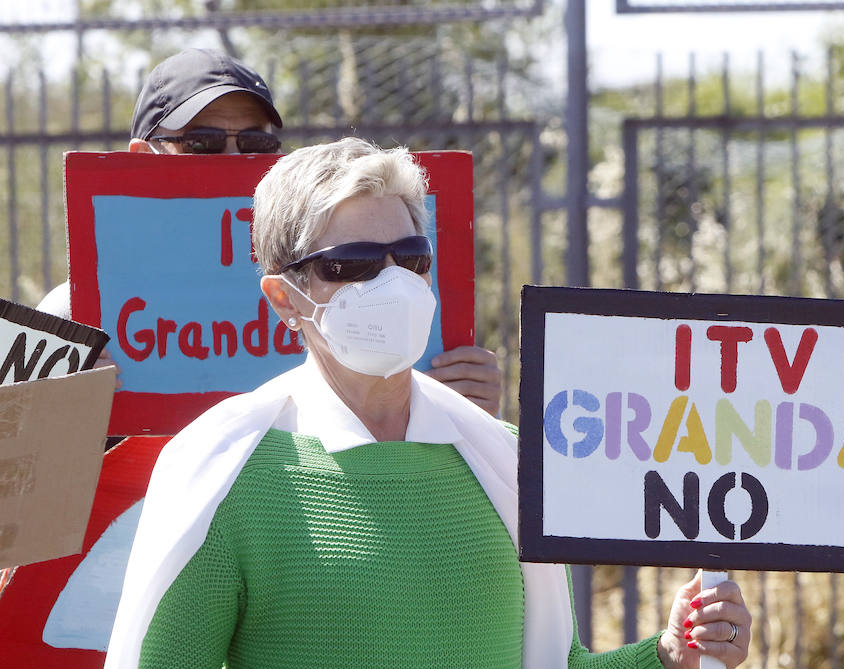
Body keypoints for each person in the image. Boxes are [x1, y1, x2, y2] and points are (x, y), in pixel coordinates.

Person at [77, 137, 754, 669]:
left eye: (411, 257)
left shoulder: (499, 459)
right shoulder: (227, 468)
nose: (392, 282)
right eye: (352, 266)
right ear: (284, 297)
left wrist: (676, 657)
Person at [37, 47, 501, 415]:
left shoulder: (326, 287)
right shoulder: (71, 316)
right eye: (203, 143)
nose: (235, 164)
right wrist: (54, 409)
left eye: (256, 144)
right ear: (140, 158)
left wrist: (457, 407)